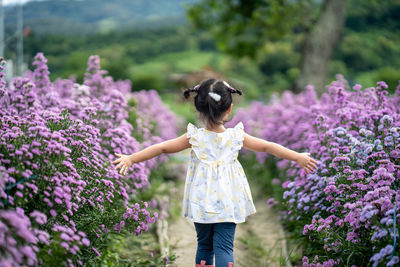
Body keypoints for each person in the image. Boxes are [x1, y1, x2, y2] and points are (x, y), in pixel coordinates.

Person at [112, 78, 318, 267]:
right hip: (228, 200)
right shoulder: (237, 136)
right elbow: (268, 146)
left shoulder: (193, 137)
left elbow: (161, 148)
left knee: (204, 246)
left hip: (201, 200)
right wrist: (297, 156)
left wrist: (131, 158)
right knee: (225, 247)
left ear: (198, 107)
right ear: (229, 109)